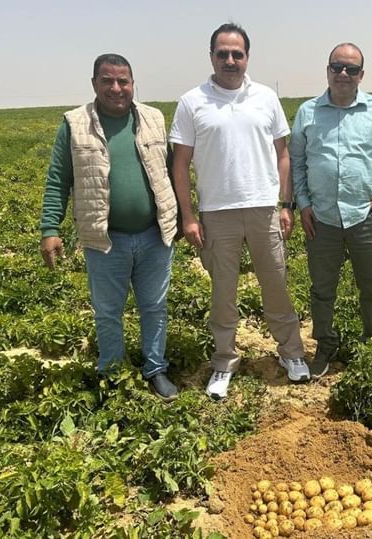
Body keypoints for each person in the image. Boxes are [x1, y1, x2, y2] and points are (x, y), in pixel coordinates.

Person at [170, 22, 308, 400]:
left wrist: (286, 204)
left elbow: (283, 155)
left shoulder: (266, 97)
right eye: (223, 54)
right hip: (217, 213)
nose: (230, 60)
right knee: (223, 294)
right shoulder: (192, 102)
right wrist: (188, 216)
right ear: (211, 57)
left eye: (237, 54)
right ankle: (224, 361)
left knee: (276, 285)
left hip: (264, 209)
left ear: (247, 57)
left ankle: (292, 353)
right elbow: (180, 164)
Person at [39, 53, 180, 400]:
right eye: (107, 81)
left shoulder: (153, 118)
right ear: (94, 84)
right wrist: (50, 228)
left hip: (154, 235)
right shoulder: (75, 124)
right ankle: (113, 373)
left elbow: (170, 171)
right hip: (104, 239)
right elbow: (58, 179)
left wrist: (182, 217)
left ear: (132, 84)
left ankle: (155, 368)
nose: (116, 88)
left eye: (123, 81)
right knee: (107, 312)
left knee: (154, 307)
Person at [289, 42, 372, 378]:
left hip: (365, 216)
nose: (343, 73)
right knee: (322, 289)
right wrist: (303, 203)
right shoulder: (308, 112)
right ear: (327, 71)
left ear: (361, 75)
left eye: (351, 69)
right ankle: (325, 345)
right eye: (337, 67)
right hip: (321, 217)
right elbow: (297, 162)